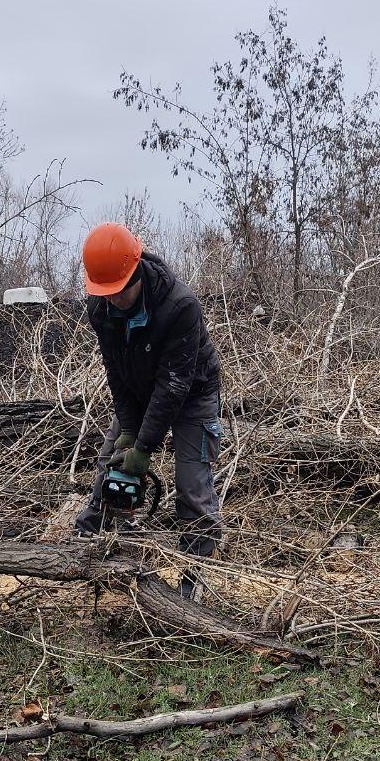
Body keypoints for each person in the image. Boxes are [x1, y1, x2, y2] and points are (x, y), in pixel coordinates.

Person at [75, 223, 222, 593]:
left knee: (193, 488)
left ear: (136, 269)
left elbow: (174, 386)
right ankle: (82, 550)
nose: (112, 299)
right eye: (104, 293)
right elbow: (116, 374)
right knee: (110, 464)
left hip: (192, 394)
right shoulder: (101, 308)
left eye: (118, 291)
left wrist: (143, 449)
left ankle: (194, 579)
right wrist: (128, 431)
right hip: (139, 392)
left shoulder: (179, 306)